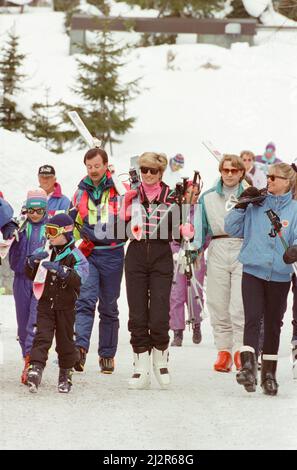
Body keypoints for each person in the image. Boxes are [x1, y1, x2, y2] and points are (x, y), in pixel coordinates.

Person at [225, 162, 297, 395]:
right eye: (268, 177)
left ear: (287, 182)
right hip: (253, 271)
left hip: (279, 275)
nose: (269, 181)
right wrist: (242, 204)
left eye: (274, 178)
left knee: (274, 324)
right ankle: (248, 367)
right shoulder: (257, 204)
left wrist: (295, 249)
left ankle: (268, 374)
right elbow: (231, 228)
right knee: (253, 318)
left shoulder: (294, 209)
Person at [120, 152, 181, 390]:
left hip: (160, 254)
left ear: (161, 172)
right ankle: (140, 365)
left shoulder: (171, 195)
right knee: (136, 313)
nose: (147, 174)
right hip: (135, 252)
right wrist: (126, 203)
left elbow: (179, 227)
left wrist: (185, 228)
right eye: (144, 169)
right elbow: (119, 224)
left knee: (158, 313)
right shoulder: (133, 192)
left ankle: (161, 360)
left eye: (152, 170)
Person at [70, 148, 125, 374]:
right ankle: (79, 349)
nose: (93, 170)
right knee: (85, 300)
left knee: (109, 306)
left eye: (97, 166)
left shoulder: (118, 188)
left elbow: (130, 213)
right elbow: (74, 221)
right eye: (89, 166)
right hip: (89, 253)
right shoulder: (79, 191)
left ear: (106, 165)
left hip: (113, 252)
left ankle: (107, 355)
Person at [26, 213, 89, 393]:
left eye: (53, 231)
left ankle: (65, 373)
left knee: (65, 342)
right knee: (42, 337)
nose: (49, 236)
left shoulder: (76, 256)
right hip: (45, 305)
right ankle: (35, 368)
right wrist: (32, 262)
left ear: (67, 233)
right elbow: (32, 275)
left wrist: (62, 271)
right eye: (47, 231)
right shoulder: (46, 251)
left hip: (66, 307)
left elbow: (80, 279)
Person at [200, 154, 246, 372]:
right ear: (220, 171)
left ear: (241, 173)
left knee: (239, 304)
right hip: (217, 246)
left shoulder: (249, 196)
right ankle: (224, 351)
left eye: (234, 170)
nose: (229, 174)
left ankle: (239, 349)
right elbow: (200, 229)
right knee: (218, 302)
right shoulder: (208, 197)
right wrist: (193, 250)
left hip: (242, 248)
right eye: (226, 170)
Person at [9, 189, 48, 384]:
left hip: (41, 280)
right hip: (20, 278)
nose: (34, 214)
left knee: (34, 322)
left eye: (39, 211)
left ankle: (33, 362)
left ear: (45, 210)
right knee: (23, 325)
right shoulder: (20, 225)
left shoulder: (50, 227)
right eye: (31, 210)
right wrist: (9, 232)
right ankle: (26, 357)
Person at [170, 180, 206, 346]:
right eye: (190, 193)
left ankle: (196, 323)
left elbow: (207, 234)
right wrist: (175, 250)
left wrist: (198, 250)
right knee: (177, 293)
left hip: (195, 256)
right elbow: (169, 233)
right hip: (178, 255)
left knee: (194, 292)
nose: (194, 197)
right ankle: (177, 331)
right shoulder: (176, 211)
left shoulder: (200, 211)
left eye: (197, 193)